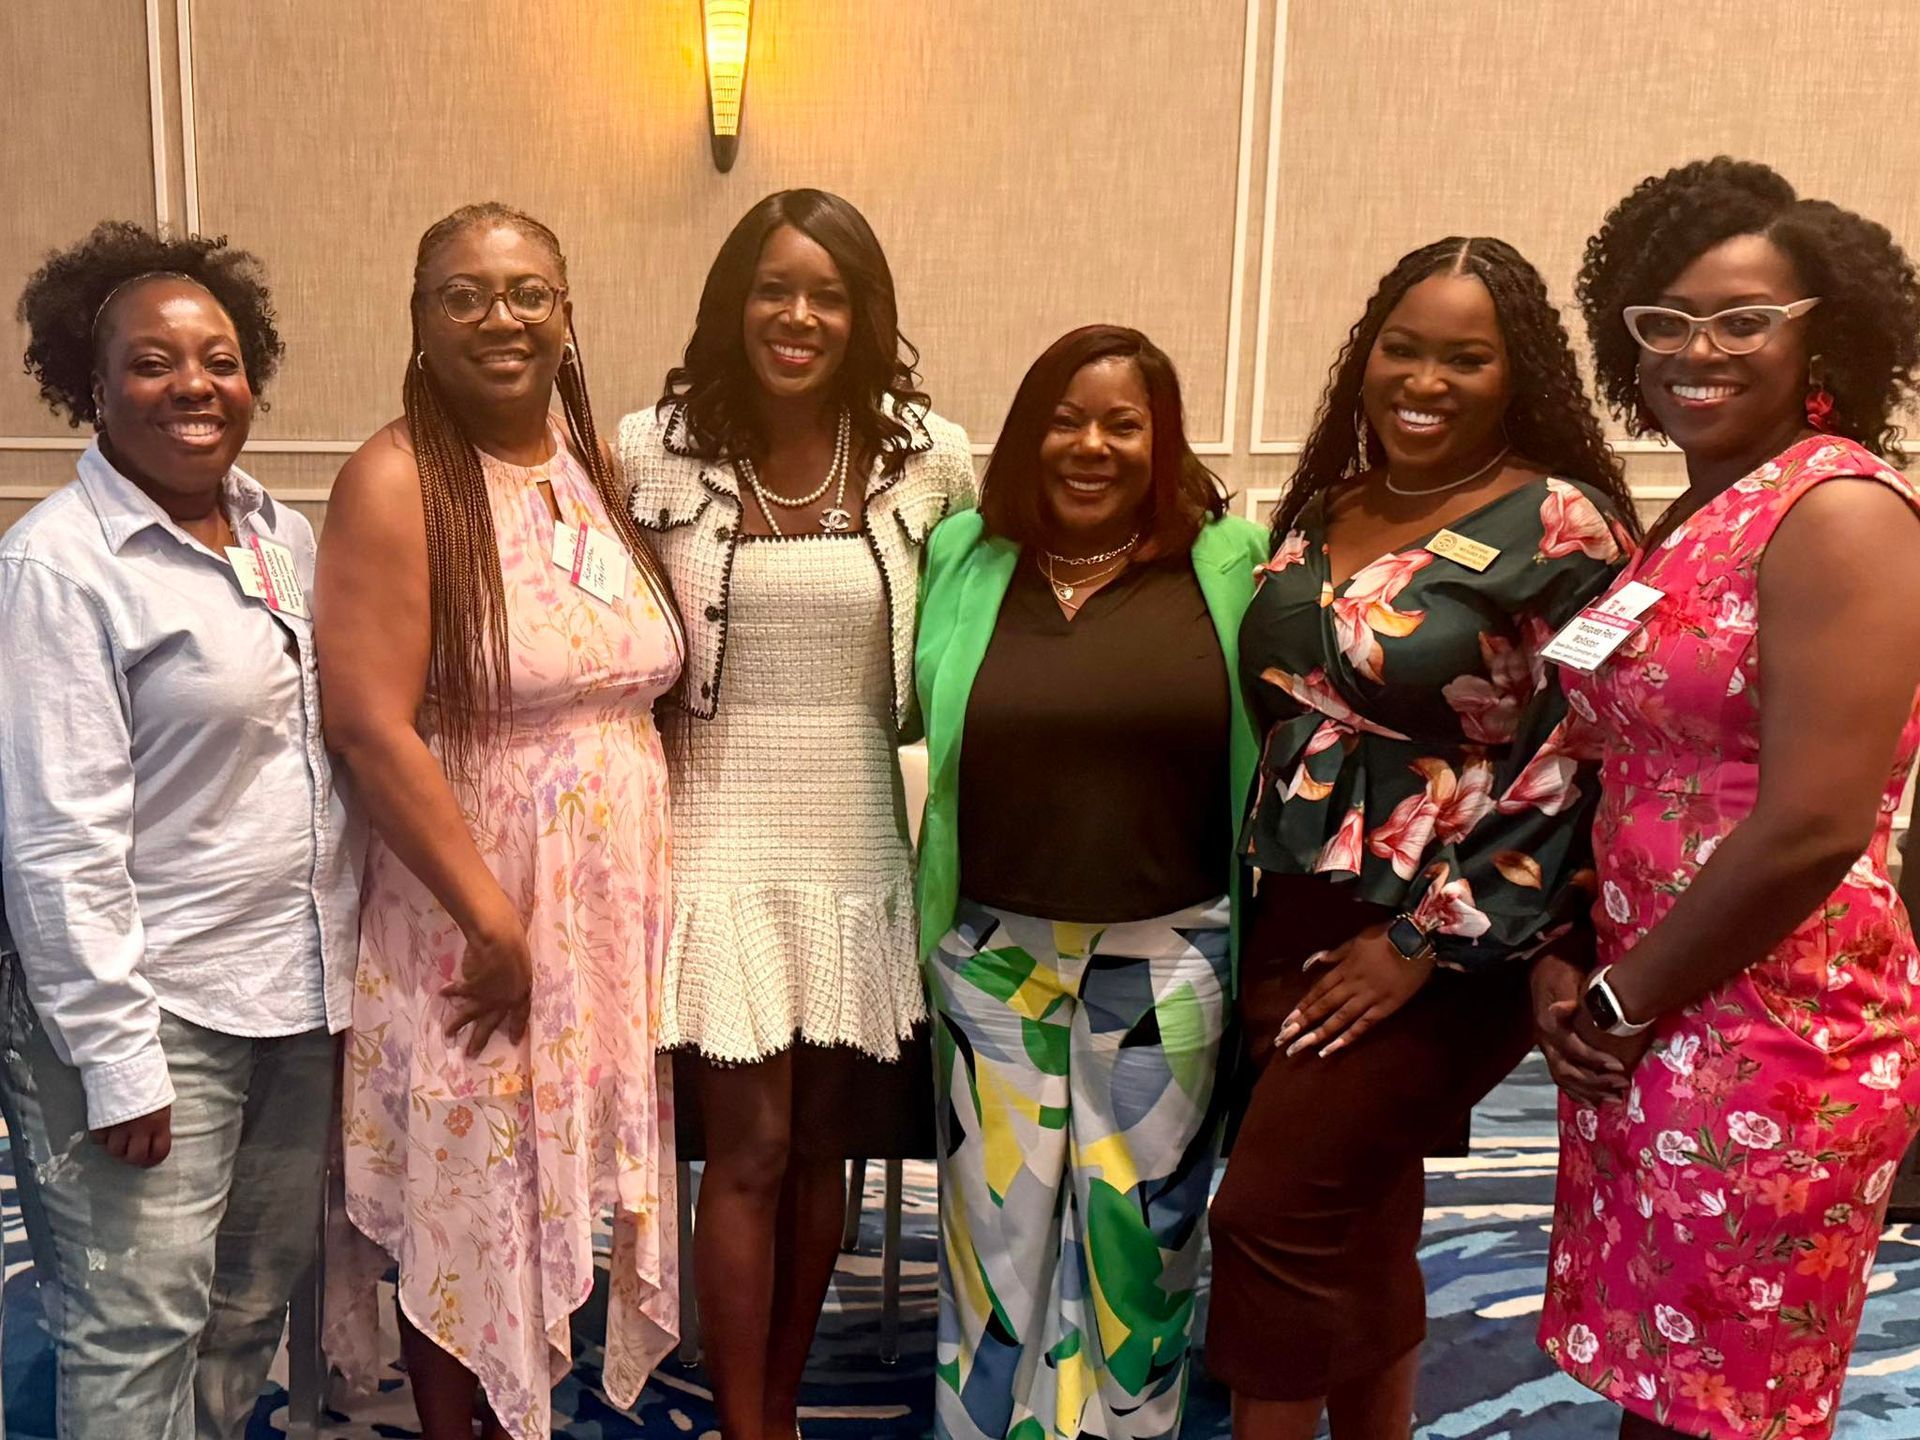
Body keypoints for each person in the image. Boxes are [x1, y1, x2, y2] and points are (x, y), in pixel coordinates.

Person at [1205, 237, 1640, 1438]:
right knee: (1361, 1208)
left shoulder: (1565, 525)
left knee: (1272, 1217)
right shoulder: (1332, 500)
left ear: (1517, 375)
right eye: (1403, 347)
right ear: (1366, 352)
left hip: (1456, 933)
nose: (1424, 379)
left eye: (1466, 357)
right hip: (1300, 904)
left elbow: (1579, 757)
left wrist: (1415, 939)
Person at [1535, 158, 1920, 1440]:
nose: (1697, 350)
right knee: (1674, 1389)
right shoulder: (1701, 511)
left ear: (1827, 332)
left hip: (1773, 1032)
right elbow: (1641, 755)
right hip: (1655, 1015)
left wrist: (1618, 997)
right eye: (1666, 321)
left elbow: (1813, 820)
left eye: (1745, 319)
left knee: (1736, 1405)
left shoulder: (1840, 510)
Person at [318, 203, 684, 1440]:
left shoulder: (591, 471)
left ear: (568, 313)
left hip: (594, 915)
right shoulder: (395, 477)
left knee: (538, 1186)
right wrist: (496, 920)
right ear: (419, 323)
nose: (501, 317)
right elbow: (370, 725)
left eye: (529, 291)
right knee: (465, 1193)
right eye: (463, 295)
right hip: (473, 916)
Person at [619, 187, 974, 1440]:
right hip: (712, 826)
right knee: (749, 1148)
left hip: (856, 824)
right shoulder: (646, 447)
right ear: (733, 301)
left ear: (865, 313)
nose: (800, 315)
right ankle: (748, 1419)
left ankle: (781, 1393)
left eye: (828, 293)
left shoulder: (931, 453)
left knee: (825, 1141)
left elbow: (985, 608)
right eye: (776, 287)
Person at [0, 222, 356, 1439]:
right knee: (136, 1326)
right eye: (150, 363)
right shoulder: (60, 567)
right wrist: (114, 1057)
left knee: (244, 1311)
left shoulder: (283, 537)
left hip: (294, 996)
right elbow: (55, 842)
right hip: (152, 1011)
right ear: (87, 388)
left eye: (218, 358)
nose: (192, 386)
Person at [913, 324, 1267, 1440]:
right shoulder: (966, 555)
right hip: (992, 953)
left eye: (1124, 423)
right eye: (1067, 418)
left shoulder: (1229, 564)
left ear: (1162, 443)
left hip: (1169, 948)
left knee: (1143, 1240)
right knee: (992, 1232)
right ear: (1027, 433)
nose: (1092, 445)